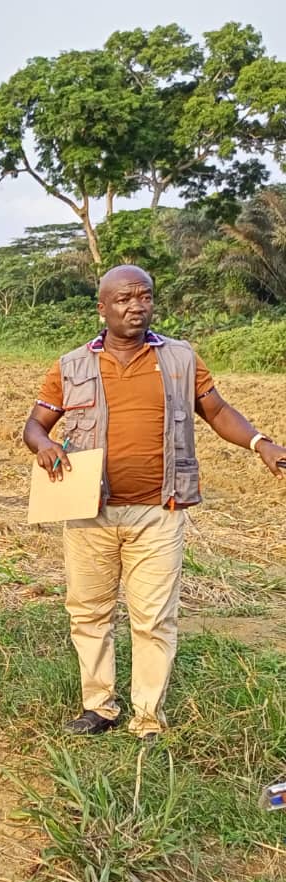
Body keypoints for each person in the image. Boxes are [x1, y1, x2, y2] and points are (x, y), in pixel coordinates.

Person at [23, 264, 286, 741]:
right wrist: (44, 444)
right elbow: (35, 425)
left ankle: (147, 718)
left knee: (153, 618)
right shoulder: (71, 365)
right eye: (124, 299)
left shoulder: (181, 359)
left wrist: (261, 443)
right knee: (89, 612)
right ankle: (99, 707)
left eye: (144, 297)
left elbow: (217, 411)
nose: (136, 307)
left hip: (158, 512)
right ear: (102, 308)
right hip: (90, 513)